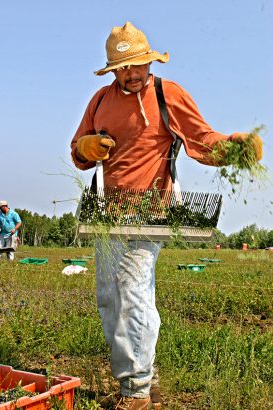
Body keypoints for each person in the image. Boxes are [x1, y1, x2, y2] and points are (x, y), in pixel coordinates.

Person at [70, 22, 263, 409]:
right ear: (113, 70)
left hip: (152, 213)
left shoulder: (166, 94)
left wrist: (234, 149)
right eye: (124, 67)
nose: (133, 72)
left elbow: (201, 140)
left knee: (134, 292)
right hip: (109, 215)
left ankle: (136, 392)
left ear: (149, 60)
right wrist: (87, 148)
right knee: (110, 298)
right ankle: (146, 375)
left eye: (139, 63)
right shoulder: (99, 101)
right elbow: (77, 152)